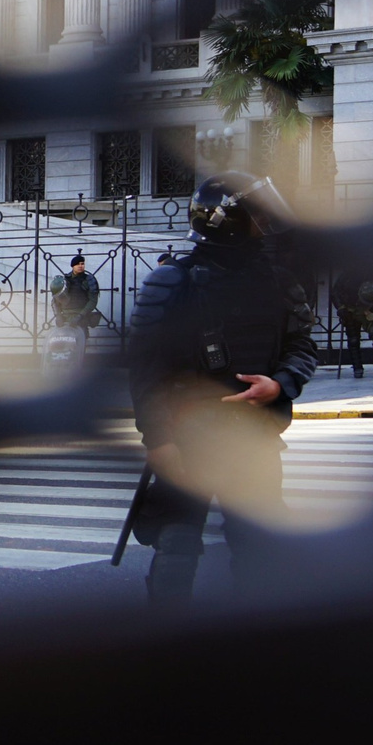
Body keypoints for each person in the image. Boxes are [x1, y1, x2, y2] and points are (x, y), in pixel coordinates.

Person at [125, 174, 317, 604]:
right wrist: (158, 439)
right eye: (256, 215)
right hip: (189, 440)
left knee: (261, 549)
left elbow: (302, 345)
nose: (265, 222)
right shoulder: (173, 281)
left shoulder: (279, 281)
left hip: (253, 438)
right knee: (178, 545)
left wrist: (280, 384)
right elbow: (145, 367)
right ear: (226, 220)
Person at [332, 268, 373, 381]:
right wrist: (341, 307)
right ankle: (357, 368)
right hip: (351, 309)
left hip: (372, 309)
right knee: (353, 340)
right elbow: (335, 291)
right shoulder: (348, 273)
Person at [51, 252, 103, 360]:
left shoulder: (88, 280)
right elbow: (55, 300)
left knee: (78, 347)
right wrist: (58, 316)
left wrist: (80, 316)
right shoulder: (64, 280)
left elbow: (92, 301)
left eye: (82, 264)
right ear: (72, 266)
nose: (81, 266)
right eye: (78, 264)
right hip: (65, 317)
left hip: (81, 318)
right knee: (60, 346)